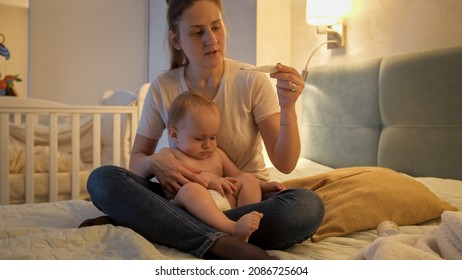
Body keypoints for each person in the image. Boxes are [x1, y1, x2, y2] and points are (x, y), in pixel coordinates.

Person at [82, 0, 324, 260]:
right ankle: (226, 242)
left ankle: (161, 224)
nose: (212, 40)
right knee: (103, 180)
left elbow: (285, 164)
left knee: (307, 206)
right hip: (184, 199)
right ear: (176, 40)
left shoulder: (252, 80)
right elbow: (136, 166)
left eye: (216, 27)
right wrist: (156, 162)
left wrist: (288, 108)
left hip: (243, 202)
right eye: (197, 32)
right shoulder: (163, 87)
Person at [163, 91, 276, 242]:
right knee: (191, 190)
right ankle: (232, 228)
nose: (208, 144)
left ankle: (245, 224)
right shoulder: (170, 155)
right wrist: (208, 181)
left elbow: (237, 175)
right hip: (191, 210)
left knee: (247, 178)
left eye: (213, 137)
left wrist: (264, 186)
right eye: (199, 138)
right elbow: (170, 180)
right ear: (174, 135)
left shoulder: (217, 154)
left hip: (226, 206)